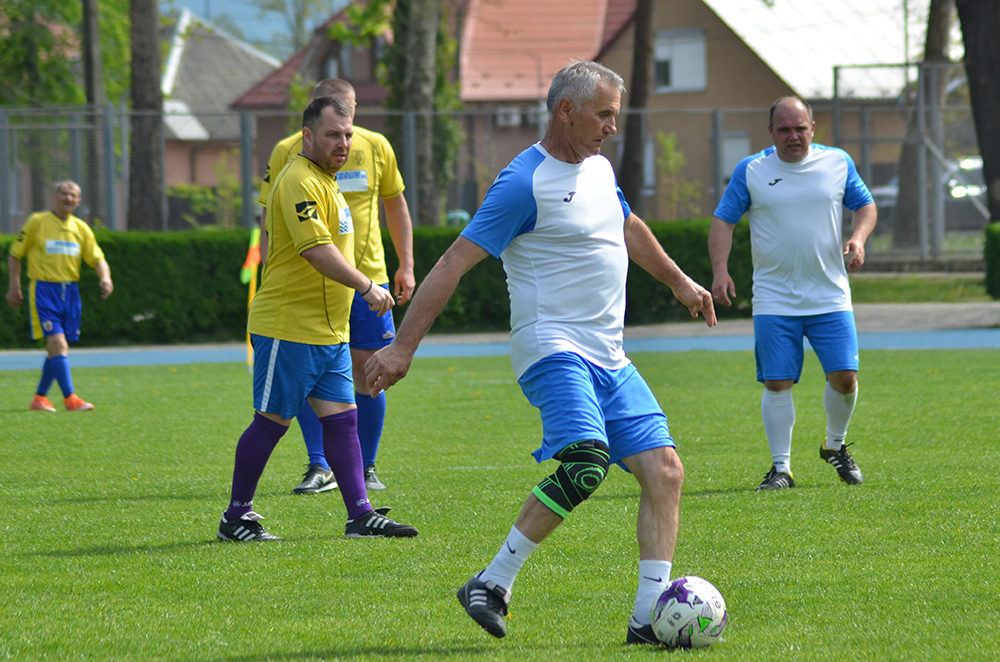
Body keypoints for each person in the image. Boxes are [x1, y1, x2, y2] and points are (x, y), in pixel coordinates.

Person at [364, 60, 716, 643]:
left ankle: (647, 620)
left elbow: (627, 225)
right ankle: (492, 583)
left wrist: (679, 282)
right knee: (586, 463)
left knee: (665, 472)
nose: (612, 127)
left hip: (610, 356)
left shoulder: (599, 168)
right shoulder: (523, 182)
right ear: (566, 111)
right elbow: (452, 262)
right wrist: (402, 347)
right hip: (552, 348)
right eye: (604, 115)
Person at [217, 96, 417, 542]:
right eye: (332, 135)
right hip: (288, 326)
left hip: (330, 330)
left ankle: (360, 515)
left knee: (343, 420)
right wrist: (367, 286)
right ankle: (235, 518)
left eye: (348, 135)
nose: (343, 143)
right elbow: (316, 251)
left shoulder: (328, 182)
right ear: (308, 135)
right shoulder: (298, 180)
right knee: (271, 422)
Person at [708, 96, 877, 491]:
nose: (793, 136)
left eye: (800, 128)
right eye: (784, 129)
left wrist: (858, 238)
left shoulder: (837, 163)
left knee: (845, 377)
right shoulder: (751, 170)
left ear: (813, 129)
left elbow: (865, 206)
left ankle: (834, 445)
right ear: (770, 132)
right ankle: (781, 469)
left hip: (830, 295)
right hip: (775, 298)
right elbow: (723, 221)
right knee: (778, 382)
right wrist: (720, 271)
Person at [257, 79, 415, 495]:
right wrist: (267, 272)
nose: (344, 132)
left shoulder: (376, 146)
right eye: (335, 118)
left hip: (369, 278)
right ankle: (318, 465)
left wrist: (407, 264)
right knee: (308, 382)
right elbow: (270, 216)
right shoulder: (289, 152)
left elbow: (395, 203)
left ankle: (365, 468)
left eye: (350, 113)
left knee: (369, 372)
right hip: (312, 286)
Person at [5, 181, 113, 412]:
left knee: (56, 348)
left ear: (79, 201)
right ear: (54, 197)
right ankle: (70, 399)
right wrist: (14, 287)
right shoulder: (37, 221)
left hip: (70, 292)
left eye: (73, 195)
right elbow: (15, 255)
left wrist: (106, 278)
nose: (68, 198)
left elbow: (97, 259)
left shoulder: (81, 228)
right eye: (64, 193)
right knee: (58, 343)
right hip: (44, 291)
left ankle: (39, 398)